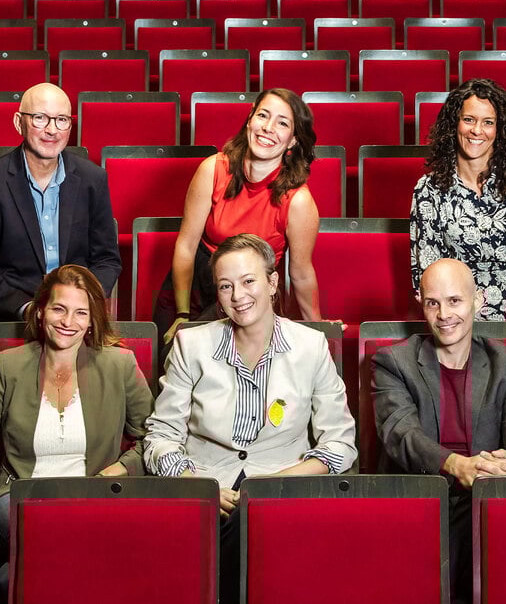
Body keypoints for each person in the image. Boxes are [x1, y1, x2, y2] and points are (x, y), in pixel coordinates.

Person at [144, 233, 356, 604]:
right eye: (225, 286)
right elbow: (160, 437)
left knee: (254, 524)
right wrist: (200, 484)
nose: (238, 296)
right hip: (207, 488)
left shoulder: (310, 346)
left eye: (248, 281)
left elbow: (340, 445)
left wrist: (266, 484)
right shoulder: (192, 345)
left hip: (282, 493)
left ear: (273, 282)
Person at [0, 264, 153, 599]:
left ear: (91, 320)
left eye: (80, 312)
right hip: (16, 498)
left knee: (9, 579)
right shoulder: (9, 364)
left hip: (92, 498)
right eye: (59, 308)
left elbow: (154, 438)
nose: (68, 322)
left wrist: (123, 467)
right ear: (41, 311)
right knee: (57, 537)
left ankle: (14, 578)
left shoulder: (120, 364)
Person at [372, 258, 506, 604]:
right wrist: (457, 465)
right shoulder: (393, 362)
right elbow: (401, 435)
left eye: (454, 301)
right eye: (432, 303)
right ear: (421, 303)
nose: (444, 314)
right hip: (419, 495)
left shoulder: (503, 361)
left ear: (477, 301)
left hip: (484, 495)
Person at [0, 82, 121, 381]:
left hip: (77, 317)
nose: (52, 130)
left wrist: (79, 307)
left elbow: (107, 260)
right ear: (18, 121)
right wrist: (32, 310)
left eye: (62, 120)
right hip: (15, 316)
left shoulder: (92, 179)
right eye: (40, 118)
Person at [410, 78, 506, 384]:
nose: (477, 131)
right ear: (455, 124)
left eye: (487, 122)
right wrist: (461, 329)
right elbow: (427, 276)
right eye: (469, 120)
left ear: (499, 129)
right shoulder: (429, 189)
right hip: (455, 322)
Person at [155, 88, 323, 350]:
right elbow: (186, 246)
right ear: (249, 120)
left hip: (249, 293)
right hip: (196, 285)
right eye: (263, 116)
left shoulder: (299, 201)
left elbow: (300, 273)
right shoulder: (212, 168)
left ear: (292, 141)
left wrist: (318, 327)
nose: (268, 128)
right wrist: (182, 315)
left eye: (282, 123)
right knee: (174, 354)